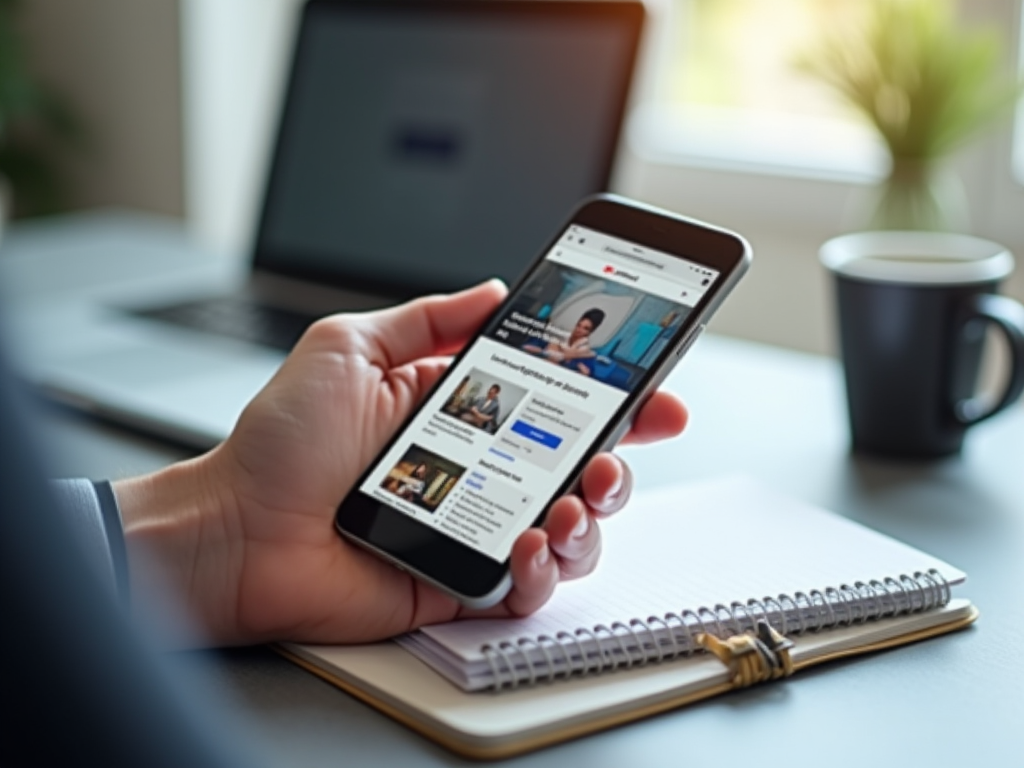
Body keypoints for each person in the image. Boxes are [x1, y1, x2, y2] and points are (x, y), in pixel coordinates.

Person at [101, 281, 687, 645]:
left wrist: (226, 541)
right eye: (580, 322)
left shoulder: (587, 355)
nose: (580, 328)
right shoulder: (552, 339)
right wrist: (229, 525)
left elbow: (566, 360)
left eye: (588, 326)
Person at [524, 307, 605, 377]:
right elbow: (526, 347)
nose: (579, 330)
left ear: (591, 332)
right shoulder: (557, 338)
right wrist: (544, 352)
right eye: (578, 325)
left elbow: (586, 375)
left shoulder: (588, 356)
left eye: (585, 328)